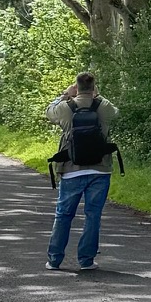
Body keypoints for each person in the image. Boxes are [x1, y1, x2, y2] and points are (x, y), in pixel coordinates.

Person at [45, 69, 121, 272]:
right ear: (94, 87)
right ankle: (86, 260)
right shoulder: (102, 106)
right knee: (93, 215)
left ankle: (54, 260)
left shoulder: (65, 107)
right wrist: (97, 96)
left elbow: (48, 111)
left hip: (71, 169)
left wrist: (64, 94)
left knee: (63, 215)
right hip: (100, 170)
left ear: (76, 87)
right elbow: (116, 112)